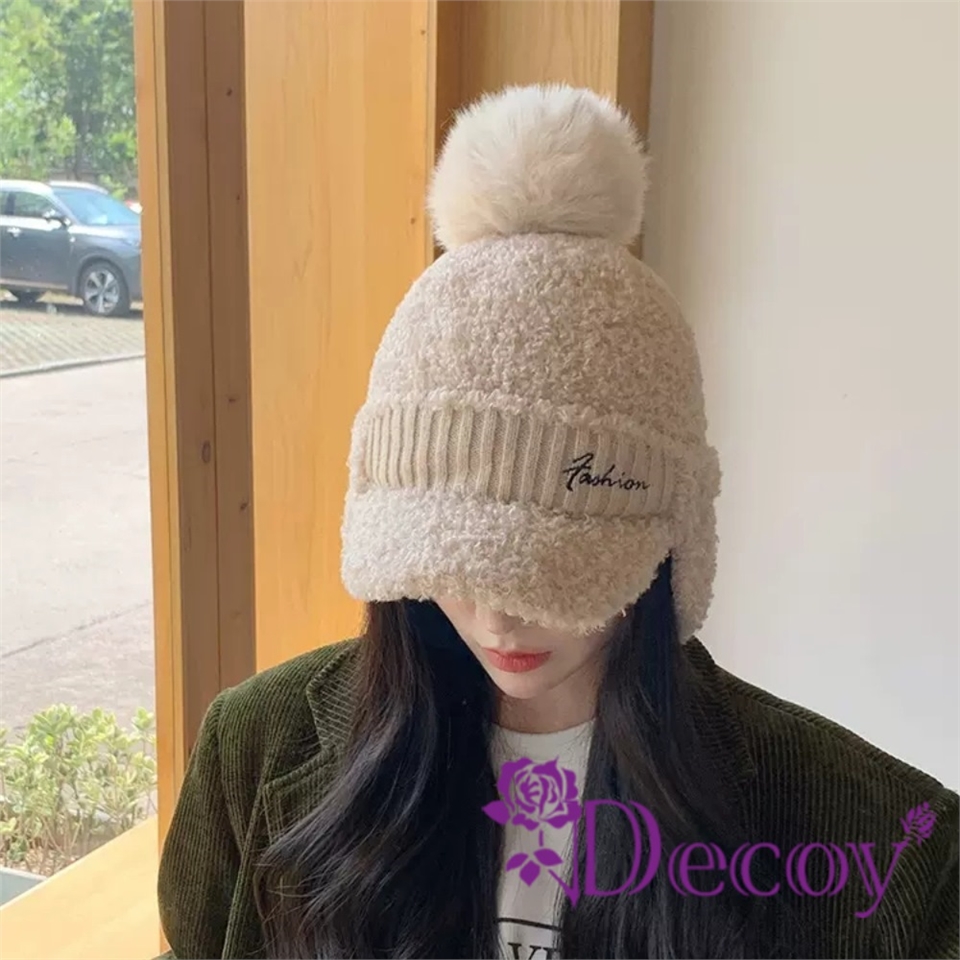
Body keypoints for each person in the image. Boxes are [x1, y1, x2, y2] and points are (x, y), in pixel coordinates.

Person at [156, 84, 958, 960]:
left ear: (670, 535)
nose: (500, 614)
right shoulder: (252, 752)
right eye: (453, 554)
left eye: (556, 560)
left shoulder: (890, 849)